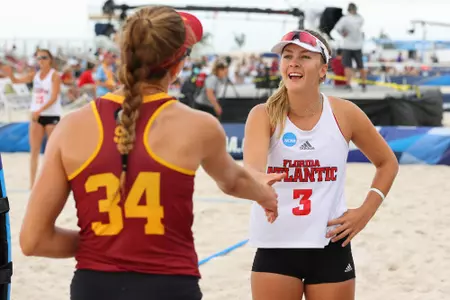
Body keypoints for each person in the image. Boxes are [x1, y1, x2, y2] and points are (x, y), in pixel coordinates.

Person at [19, 6, 284, 300]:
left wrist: (102, 243)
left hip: (93, 286)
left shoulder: (70, 127)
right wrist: (264, 195)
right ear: (179, 64)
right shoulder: (198, 125)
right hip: (168, 285)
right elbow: (232, 182)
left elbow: (33, 241)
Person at [243, 29, 399, 300]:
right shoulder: (263, 114)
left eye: (305, 57)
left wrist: (365, 212)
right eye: (287, 56)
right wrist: (258, 182)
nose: (293, 62)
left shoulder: (344, 113)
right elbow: (253, 168)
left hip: (331, 245)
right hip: (277, 245)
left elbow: (387, 163)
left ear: (323, 70)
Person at [2, 49, 62, 189]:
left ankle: (53, 182)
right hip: (36, 115)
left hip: (50, 115)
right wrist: (10, 74)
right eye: (39, 58)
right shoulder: (35, 75)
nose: (41, 60)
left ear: (50, 60)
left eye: (44, 57)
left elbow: (54, 97)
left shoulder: (54, 76)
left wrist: (40, 110)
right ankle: (32, 184)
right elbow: (16, 81)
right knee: (34, 151)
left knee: (51, 151)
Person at [334, 3, 366, 91]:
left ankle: (348, 84)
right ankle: (363, 84)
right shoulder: (360, 18)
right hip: (358, 45)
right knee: (360, 66)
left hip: (347, 45)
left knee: (347, 66)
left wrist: (342, 33)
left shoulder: (344, 19)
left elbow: (337, 28)